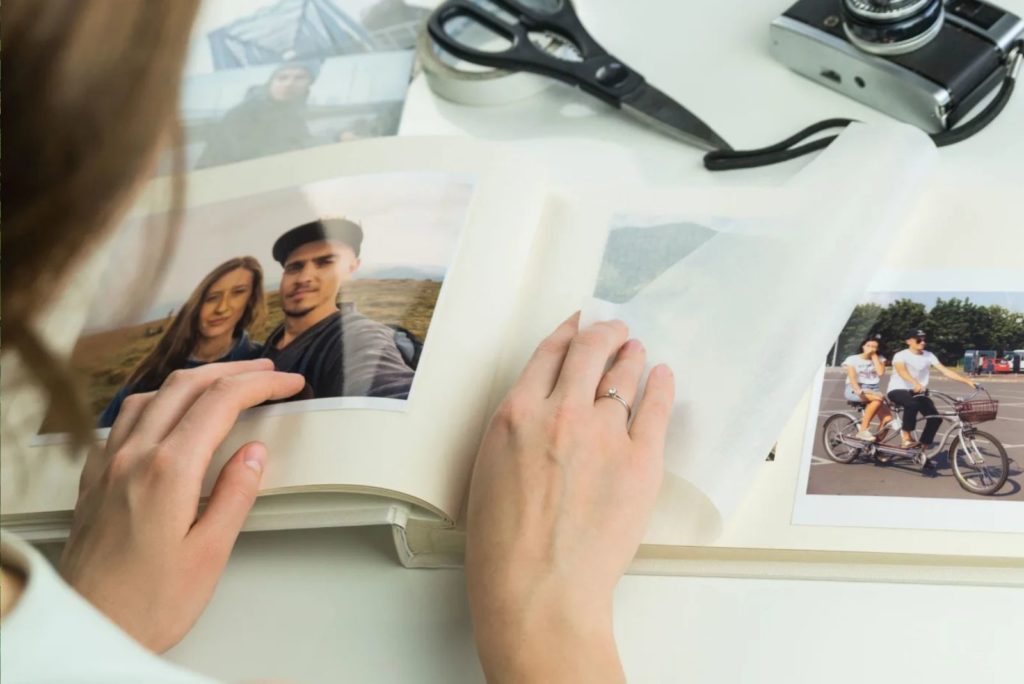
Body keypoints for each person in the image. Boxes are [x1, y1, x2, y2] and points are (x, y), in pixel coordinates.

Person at [2, 3, 675, 680]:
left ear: (349, 271)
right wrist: (548, 622)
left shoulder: (352, 336)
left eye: (321, 263)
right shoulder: (250, 353)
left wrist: (93, 616)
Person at [97, 257, 267, 427]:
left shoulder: (261, 360)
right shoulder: (154, 370)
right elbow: (100, 434)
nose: (222, 308)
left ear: (250, 299)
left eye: (238, 292)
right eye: (212, 297)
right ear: (197, 304)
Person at [261, 218, 416, 400]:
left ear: (351, 268)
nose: (304, 278)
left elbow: (389, 391)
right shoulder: (274, 338)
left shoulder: (358, 336)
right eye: (295, 267)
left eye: (325, 262)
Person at [194, 60, 325, 169]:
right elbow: (245, 157)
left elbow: (300, 140)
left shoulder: (291, 113)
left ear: (309, 85)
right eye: (282, 78)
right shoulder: (244, 113)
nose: (289, 83)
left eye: (299, 78)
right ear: (270, 83)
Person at [886, 328, 977, 455]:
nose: (922, 342)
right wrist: (915, 383)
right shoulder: (901, 355)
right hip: (898, 389)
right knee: (912, 404)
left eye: (924, 339)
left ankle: (922, 450)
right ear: (909, 341)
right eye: (919, 339)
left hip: (918, 392)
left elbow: (945, 371)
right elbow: (902, 371)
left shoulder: (929, 355)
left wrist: (967, 381)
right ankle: (906, 437)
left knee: (935, 418)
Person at [840, 335, 892, 441]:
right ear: (863, 346)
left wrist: (874, 356)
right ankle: (863, 430)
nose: (871, 348)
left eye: (874, 347)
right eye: (868, 345)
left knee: (887, 419)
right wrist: (861, 391)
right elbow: (853, 379)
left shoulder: (879, 358)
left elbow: (881, 373)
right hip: (855, 388)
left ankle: (874, 444)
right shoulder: (852, 359)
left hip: (874, 389)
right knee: (877, 399)